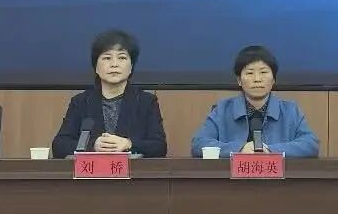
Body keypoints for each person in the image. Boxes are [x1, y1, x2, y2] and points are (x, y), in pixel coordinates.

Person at [52, 30, 167, 158]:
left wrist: (129, 144)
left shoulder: (146, 101)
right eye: (107, 58)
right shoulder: (81, 102)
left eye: (122, 58)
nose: (114, 64)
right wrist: (92, 145)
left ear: (131, 67)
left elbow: (159, 146)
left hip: (132, 170)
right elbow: (59, 145)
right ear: (96, 67)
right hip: (91, 171)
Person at [191, 45, 319, 157]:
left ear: (273, 79)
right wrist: (239, 149)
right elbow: (199, 143)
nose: (257, 79)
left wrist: (271, 150)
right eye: (250, 73)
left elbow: (310, 144)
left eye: (263, 72)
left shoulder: (290, 110)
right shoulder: (222, 110)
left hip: (279, 177)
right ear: (239, 80)